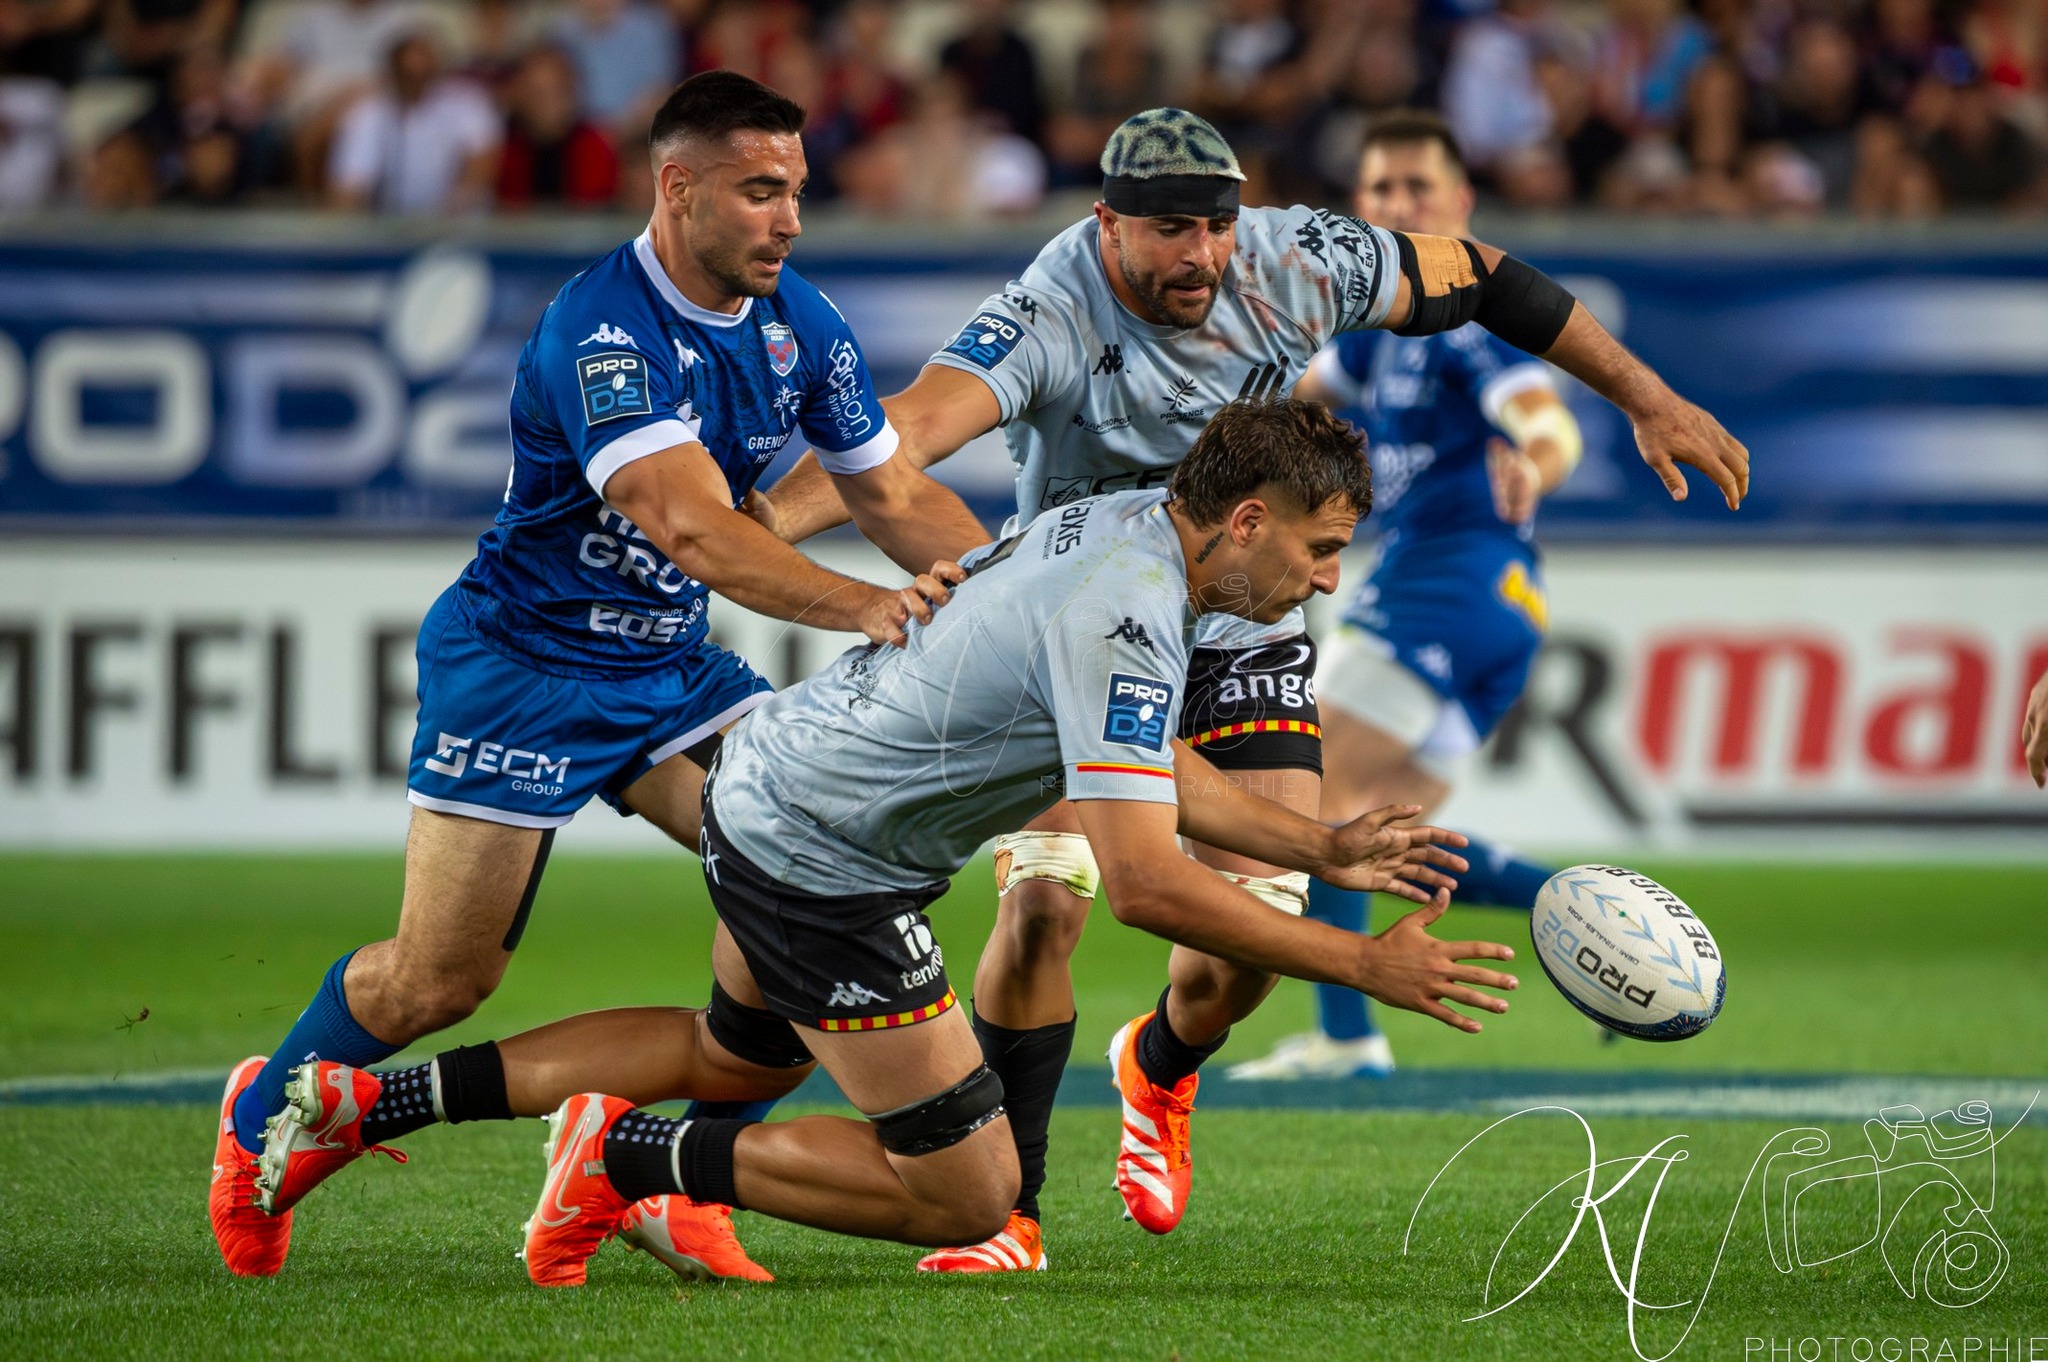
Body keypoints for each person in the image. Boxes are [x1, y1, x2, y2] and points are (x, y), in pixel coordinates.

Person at [753, 106, 1747, 1266]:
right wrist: (757, 525)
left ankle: (1158, 1065)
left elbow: (1484, 276)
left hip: (1239, 614)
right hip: (1082, 622)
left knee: (1247, 949)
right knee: (1039, 914)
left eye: (1215, 228)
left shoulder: (1297, 259)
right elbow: (908, 431)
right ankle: (1011, 1214)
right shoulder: (1049, 309)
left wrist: (1644, 396)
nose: (1199, 257)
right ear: (1104, 221)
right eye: (1169, 231)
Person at [209, 69, 987, 1282]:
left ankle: (678, 1177)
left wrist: (1015, 602)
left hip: (665, 672)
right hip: (520, 668)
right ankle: (270, 1119)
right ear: (677, 189)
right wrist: (867, 610)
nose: (789, 218)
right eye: (760, 192)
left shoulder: (800, 324)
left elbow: (889, 492)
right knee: (436, 983)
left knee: (810, 875)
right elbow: (691, 530)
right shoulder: (602, 330)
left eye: (797, 192)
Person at [497, 398, 1513, 1283]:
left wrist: (1319, 849)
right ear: (1246, 520)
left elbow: (1147, 767)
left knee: (732, 1057)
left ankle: (383, 1100)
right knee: (962, 1192)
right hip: (818, 848)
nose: (1332, 580)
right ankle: (624, 1157)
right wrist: (1362, 962)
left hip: (793, 798)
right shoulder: (1123, 610)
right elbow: (1147, 887)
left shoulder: (1128, 527)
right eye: (1322, 547)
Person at [1231, 110, 1581, 1082]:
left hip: (1442, 584)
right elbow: (1296, 392)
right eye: (1379, 190)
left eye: (1415, 189)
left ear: (1459, 204)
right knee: (1396, 840)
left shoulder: (1471, 325)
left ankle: (1346, 1041)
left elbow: (1545, 422)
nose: (1396, 205)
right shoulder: (1381, 338)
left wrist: (1538, 465)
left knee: (1326, 809)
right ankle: (1598, 912)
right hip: (1498, 610)